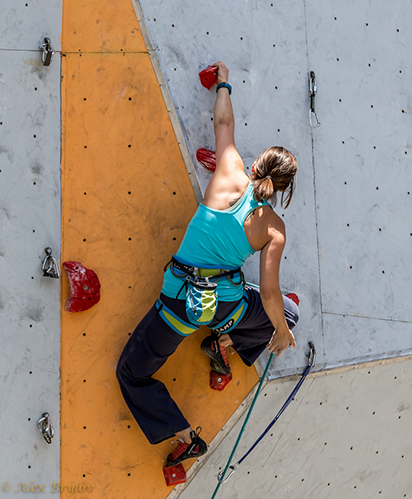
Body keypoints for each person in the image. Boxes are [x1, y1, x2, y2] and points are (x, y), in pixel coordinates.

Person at [116, 61, 299, 467]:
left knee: (132, 372)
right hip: (226, 307)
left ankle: (184, 436)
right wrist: (283, 333)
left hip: (179, 306)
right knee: (287, 312)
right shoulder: (275, 228)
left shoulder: (229, 171)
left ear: (257, 164)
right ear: (284, 190)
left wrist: (223, 83)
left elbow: (223, 123)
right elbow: (269, 294)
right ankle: (224, 342)